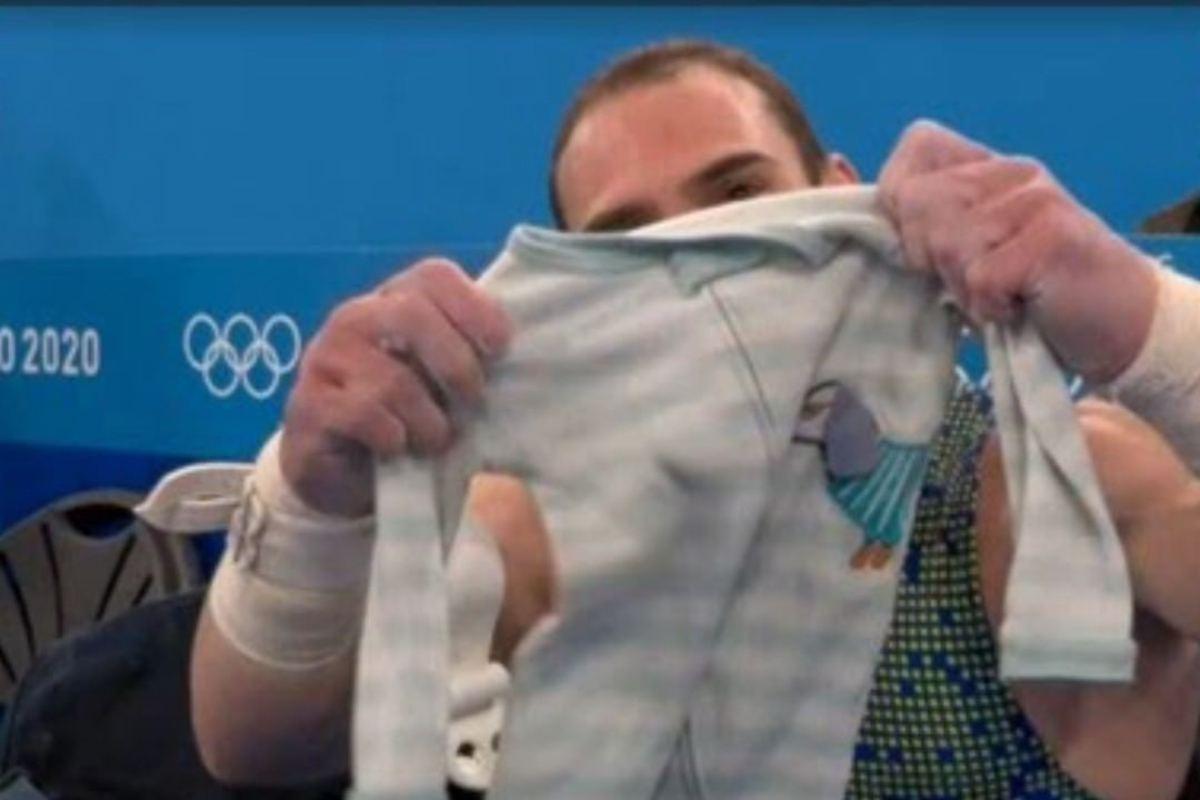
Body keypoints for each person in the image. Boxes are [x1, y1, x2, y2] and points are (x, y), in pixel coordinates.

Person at [189, 41, 1200, 799]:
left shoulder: (1047, 492)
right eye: (635, 238)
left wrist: (1148, 328)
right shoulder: (544, 529)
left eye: (741, 193)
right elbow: (251, 744)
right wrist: (311, 500)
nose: (705, 259)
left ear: (840, 196)